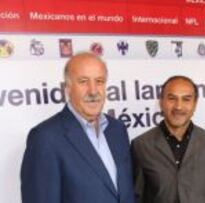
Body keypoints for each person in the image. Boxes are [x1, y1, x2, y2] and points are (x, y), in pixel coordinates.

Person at [20, 52, 135, 203]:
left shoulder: (117, 130)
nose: (93, 91)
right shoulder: (45, 138)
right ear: (67, 88)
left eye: (99, 81)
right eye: (83, 81)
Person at [131, 75, 205, 203]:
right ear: (161, 102)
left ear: (195, 104)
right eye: (172, 98)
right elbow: (136, 197)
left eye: (186, 99)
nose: (178, 106)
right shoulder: (141, 145)